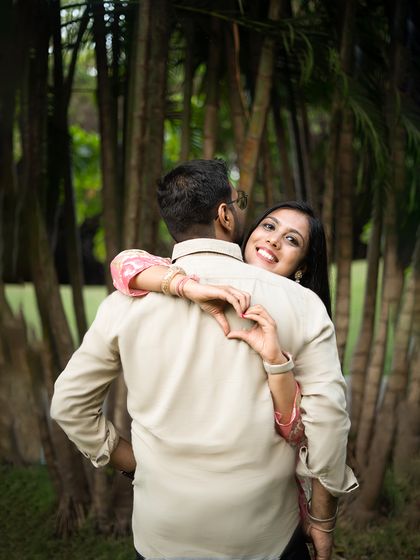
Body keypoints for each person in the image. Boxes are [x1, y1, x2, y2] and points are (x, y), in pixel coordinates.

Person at [50, 159, 358, 560]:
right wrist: (322, 521)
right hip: (263, 535)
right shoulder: (302, 306)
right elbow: (329, 422)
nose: (273, 239)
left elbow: (69, 405)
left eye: (293, 240)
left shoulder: (126, 301)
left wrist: (133, 464)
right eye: (262, 221)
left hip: (163, 533)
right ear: (225, 215)